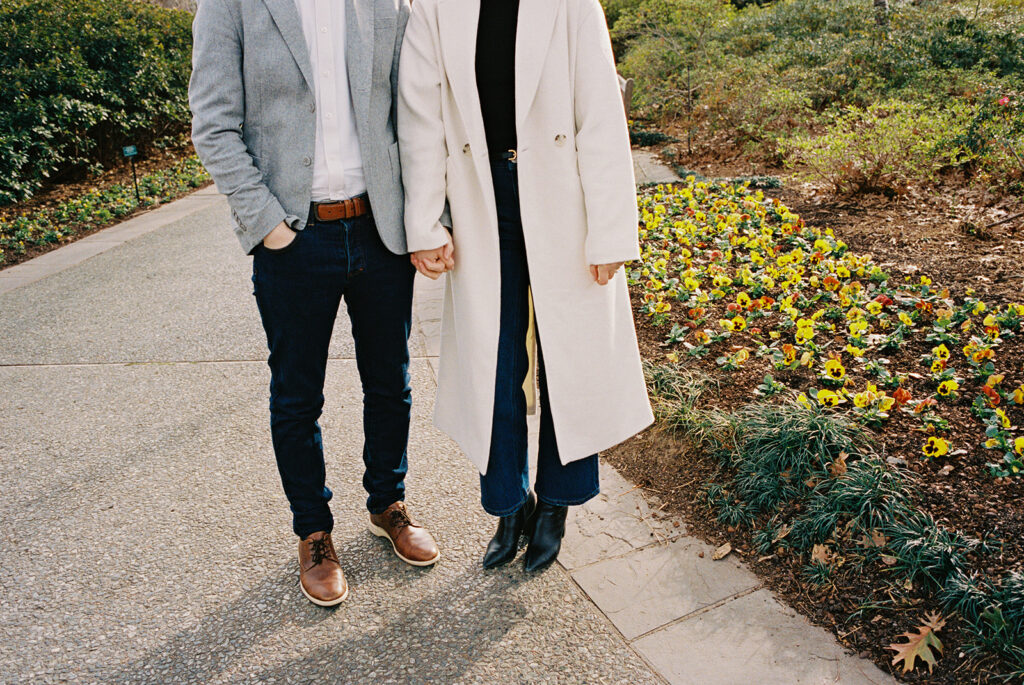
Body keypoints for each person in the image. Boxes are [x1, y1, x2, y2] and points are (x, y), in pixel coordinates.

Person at [189, 0, 440, 608]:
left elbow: (417, 112)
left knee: (391, 383)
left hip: (379, 232)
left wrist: (430, 218)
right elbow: (214, 122)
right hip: (294, 238)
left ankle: (388, 503)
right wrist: (266, 222)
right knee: (297, 395)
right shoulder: (230, 6)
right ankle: (314, 532)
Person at [397, 0, 654, 572]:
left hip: (567, 200)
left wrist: (612, 230)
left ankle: (557, 503)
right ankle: (508, 506)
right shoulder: (434, 7)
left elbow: (600, 111)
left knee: (571, 359)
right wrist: (424, 219)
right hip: (478, 199)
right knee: (495, 359)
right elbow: (420, 118)